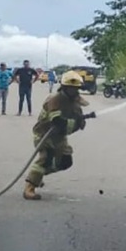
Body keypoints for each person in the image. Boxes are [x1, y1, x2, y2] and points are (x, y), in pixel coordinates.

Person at [23, 70, 92, 201]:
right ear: (64, 87)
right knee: (46, 158)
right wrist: (75, 123)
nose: (73, 91)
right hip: (44, 134)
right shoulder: (54, 99)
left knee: (66, 162)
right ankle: (29, 187)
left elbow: (77, 117)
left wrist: (80, 121)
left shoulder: (75, 101)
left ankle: (37, 175)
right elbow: (58, 122)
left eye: (75, 88)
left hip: (59, 136)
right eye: (70, 88)